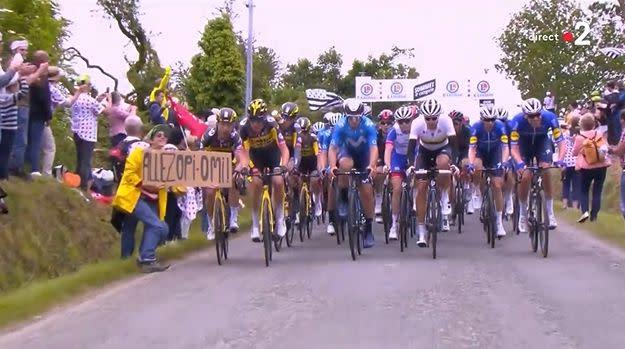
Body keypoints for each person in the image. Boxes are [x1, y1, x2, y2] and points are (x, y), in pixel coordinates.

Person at [112, 124, 171, 272]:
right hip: (135, 195)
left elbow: (175, 182)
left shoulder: (167, 158)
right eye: (159, 135)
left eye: (165, 136)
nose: (163, 137)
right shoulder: (139, 153)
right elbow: (129, 174)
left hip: (153, 199)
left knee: (162, 229)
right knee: (155, 226)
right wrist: (146, 184)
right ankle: (147, 259)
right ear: (150, 140)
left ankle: (143, 256)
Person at [509, 97, 565, 233]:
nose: (535, 119)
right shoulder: (516, 121)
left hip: (542, 143)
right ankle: (522, 215)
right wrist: (520, 163)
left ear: (541, 112)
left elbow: (561, 142)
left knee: (546, 169)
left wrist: (561, 159)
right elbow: (514, 147)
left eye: (537, 115)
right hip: (524, 145)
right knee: (525, 176)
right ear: (525, 115)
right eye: (531, 116)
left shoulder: (550, 117)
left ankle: (550, 214)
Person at [328, 98, 378, 248]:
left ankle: (368, 229)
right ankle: (343, 198)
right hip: (347, 153)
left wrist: (372, 165)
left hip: (364, 157)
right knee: (343, 165)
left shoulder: (369, 125)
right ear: (346, 116)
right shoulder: (340, 125)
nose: (355, 120)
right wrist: (331, 167)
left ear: (362, 115)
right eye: (351, 117)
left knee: (367, 192)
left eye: (358, 117)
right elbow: (332, 148)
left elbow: (374, 148)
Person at [240, 98, 289, 242]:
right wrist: (246, 166)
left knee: (278, 181)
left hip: (273, 155)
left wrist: (284, 165)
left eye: (259, 121)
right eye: (253, 120)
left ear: (264, 118)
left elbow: (284, 148)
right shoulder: (244, 128)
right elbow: (243, 151)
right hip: (256, 157)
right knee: (255, 183)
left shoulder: (272, 124)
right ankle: (255, 223)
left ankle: (280, 219)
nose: (255, 124)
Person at [407, 99, 456, 244]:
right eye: (427, 118)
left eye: (434, 118)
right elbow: (411, 148)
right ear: (423, 117)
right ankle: (421, 230)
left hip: (443, 148)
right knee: (421, 187)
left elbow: (454, 145)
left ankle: (444, 196)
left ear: (438, 116)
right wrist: (411, 165)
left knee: (443, 164)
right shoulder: (417, 123)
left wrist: (455, 163)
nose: (431, 121)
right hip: (425, 151)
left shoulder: (446, 121)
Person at [200, 107, 250, 239]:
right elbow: (199, 155)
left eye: (229, 125)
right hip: (212, 164)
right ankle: (211, 224)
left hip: (230, 164)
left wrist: (239, 167)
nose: (225, 128)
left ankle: (233, 217)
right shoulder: (209, 135)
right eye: (223, 124)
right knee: (210, 192)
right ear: (218, 123)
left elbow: (240, 156)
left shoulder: (235, 137)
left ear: (233, 125)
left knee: (234, 179)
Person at [467, 105, 510, 237]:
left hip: (495, 153)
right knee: (477, 166)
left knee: (497, 185)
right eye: (487, 120)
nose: (490, 122)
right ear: (482, 120)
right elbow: (472, 148)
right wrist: (470, 162)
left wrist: (504, 162)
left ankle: (499, 223)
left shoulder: (500, 127)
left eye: (492, 119)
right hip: (481, 153)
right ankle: (477, 192)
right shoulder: (476, 127)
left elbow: (505, 147)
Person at [573, 113, 611, 222]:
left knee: (584, 190)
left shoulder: (579, 137)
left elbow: (575, 152)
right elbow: (605, 147)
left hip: (586, 167)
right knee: (597, 191)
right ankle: (594, 215)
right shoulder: (598, 134)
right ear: (594, 124)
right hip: (601, 166)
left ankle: (584, 211)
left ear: (581, 125)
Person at [383, 106, 413, 240]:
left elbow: (421, 148)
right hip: (398, 158)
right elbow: (388, 150)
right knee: (396, 187)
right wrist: (388, 165)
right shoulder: (393, 130)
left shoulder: (416, 128)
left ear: (411, 120)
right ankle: (394, 224)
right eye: (401, 122)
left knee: (420, 180)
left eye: (407, 121)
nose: (404, 124)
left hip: (413, 156)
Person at [293, 117, 322, 218]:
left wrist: (319, 168)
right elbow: (294, 153)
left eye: (305, 132)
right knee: (299, 182)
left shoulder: (313, 138)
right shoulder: (296, 138)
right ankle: (300, 205)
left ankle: (317, 201)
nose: (303, 134)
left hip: (312, 162)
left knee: (314, 180)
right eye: (301, 131)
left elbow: (317, 153)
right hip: (301, 163)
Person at [317, 112, 340, 235]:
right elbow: (324, 153)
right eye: (332, 127)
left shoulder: (347, 133)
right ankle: (331, 220)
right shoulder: (326, 134)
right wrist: (324, 168)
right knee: (331, 181)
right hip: (332, 159)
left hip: (345, 157)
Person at [374, 109, 393, 223]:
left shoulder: (396, 133)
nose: (386, 126)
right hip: (381, 158)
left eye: (389, 123)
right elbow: (373, 151)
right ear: (379, 124)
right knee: (378, 173)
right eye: (383, 123)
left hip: (394, 158)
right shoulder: (376, 136)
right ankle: (378, 198)